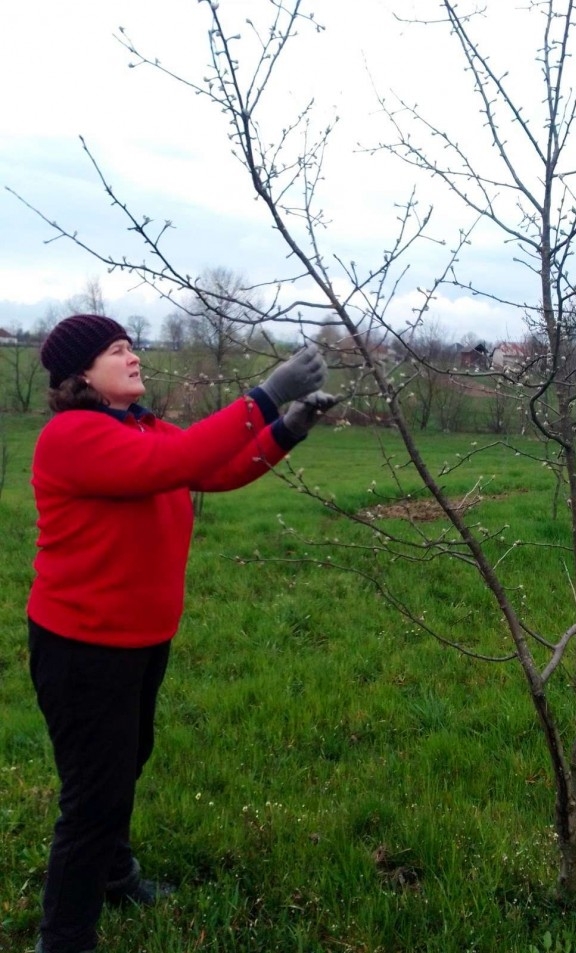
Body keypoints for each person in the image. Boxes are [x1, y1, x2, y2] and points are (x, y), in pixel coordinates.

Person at [28, 314, 335, 953]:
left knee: (126, 762)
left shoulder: (137, 425)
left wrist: (286, 430)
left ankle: (113, 875)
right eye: (118, 350)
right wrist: (265, 394)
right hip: (83, 646)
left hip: (139, 638)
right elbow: (179, 459)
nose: (134, 357)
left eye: (132, 345)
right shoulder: (72, 436)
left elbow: (212, 471)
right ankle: (64, 939)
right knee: (92, 798)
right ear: (82, 373)